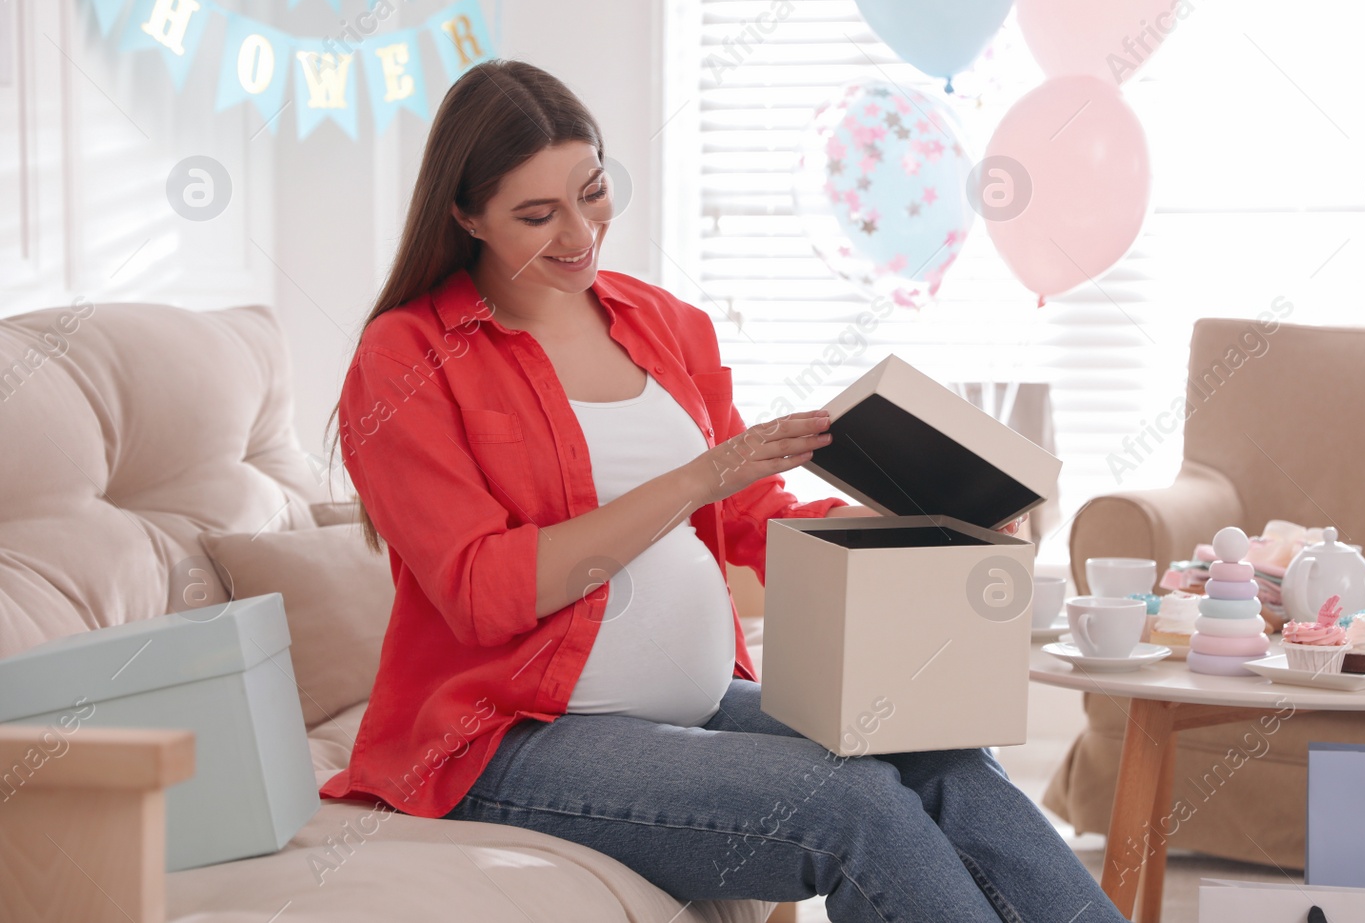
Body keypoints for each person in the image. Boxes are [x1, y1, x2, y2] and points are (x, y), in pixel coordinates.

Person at [321, 58, 1126, 922]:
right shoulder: (405, 357)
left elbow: (748, 519)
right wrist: (701, 473)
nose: (579, 233)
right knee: (856, 807)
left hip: (701, 699)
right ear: (464, 213)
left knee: (950, 763)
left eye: (592, 192)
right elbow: (483, 592)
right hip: (506, 739)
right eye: (535, 214)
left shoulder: (662, 324)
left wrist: (923, 526)